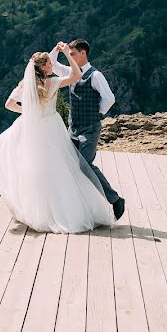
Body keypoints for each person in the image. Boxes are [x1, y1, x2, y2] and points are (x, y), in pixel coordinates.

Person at [0, 50, 115, 233]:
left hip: (33, 128)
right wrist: (67, 55)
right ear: (44, 67)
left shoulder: (25, 85)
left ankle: (38, 210)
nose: (52, 66)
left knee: (36, 168)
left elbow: (9, 104)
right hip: (52, 127)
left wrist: (29, 113)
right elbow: (76, 75)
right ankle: (65, 210)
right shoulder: (52, 82)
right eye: (50, 64)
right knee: (60, 168)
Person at [49, 39, 125, 220]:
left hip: (90, 128)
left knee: (85, 165)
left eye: (73, 54)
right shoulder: (70, 72)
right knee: (72, 166)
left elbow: (109, 98)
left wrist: (97, 114)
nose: (70, 57)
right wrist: (57, 49)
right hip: (73, 127)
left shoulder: (95, 75)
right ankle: (81, 205)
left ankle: (115, 200)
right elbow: (51, 65)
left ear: (83, 54)